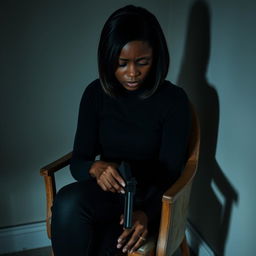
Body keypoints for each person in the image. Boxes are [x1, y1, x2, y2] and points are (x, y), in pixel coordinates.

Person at [51, 5, 190, 256]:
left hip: (151, 199)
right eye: (122, 63)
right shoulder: (95, 94)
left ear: (156, 57)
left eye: (142, 62)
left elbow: (171, 175)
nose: (132, 73)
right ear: (107, 60)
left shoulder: (174, 101)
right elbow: (79, 162)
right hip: (108, 196)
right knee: (68, 203)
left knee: (106, 246)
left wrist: (146, 213)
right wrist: (96, 168)